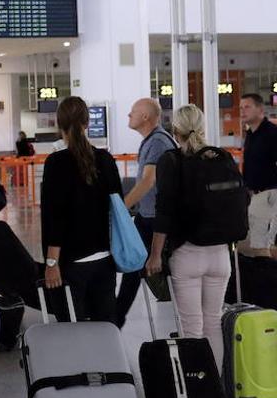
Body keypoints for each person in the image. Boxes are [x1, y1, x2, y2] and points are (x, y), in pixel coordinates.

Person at [147, 105, 234, 366]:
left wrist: (154, 255)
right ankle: (215, 391)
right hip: (220, 255)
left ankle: (198, 395)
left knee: (191, 329)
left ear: (175, 131)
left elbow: (164, 212)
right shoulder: (222, 158)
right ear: (204, 128)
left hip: (187, 254)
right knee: (213, 323)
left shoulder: (171, 160)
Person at [41, 96, 124, 323]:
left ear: (60, 125)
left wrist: (51, 263)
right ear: (87, 124)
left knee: (73, 332)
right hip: (105, 261)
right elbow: (117, 206)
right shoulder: (105, 160)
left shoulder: (56, 163)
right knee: (105, 327)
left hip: (71, 265)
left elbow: (54, 217)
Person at [115, 98, 177, 326]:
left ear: (145, 117)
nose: (128, 116)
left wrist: (120, 209)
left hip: (155, 219)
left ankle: (116, 317)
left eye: (132, 112)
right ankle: (116, 316)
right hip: (146, 216)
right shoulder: (152, 141)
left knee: (137, 267)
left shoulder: (158, 142)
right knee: (132, 266)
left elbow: (148, 181)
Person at [241, 93, 277, 255]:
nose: (242, 111)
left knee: (260, 246)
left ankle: (267, 278)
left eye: (247, 107)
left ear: (260, 109)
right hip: (255, 195)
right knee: (254, 246)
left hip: (268, 194)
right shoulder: (250, 135)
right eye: (241, 107)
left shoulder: (271, 133)